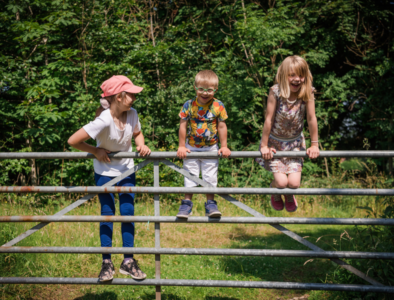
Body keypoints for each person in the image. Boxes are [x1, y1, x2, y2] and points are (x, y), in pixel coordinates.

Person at [68, 75, 151, 282]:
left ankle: (128, 261)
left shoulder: (132, 114)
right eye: (130, 93)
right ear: (118, 97)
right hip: (104, 172)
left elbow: (138, 133)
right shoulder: (104, 118)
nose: (134, 97)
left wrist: (141, 143)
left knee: (127, 214)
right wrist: (95, 150)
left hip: (126, 170)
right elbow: (73, 140)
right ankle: (106, 263)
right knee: (107, 214)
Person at [256, 56, 320, 212]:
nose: (297, 79)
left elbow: (311, 119)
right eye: (292, 75)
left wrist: (314, 144)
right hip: (275, 144)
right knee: (282, 183)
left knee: (294, 184)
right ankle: (275, 190)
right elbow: (269, 120)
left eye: (300, 75)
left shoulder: (307, 92)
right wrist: (264, 146)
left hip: (294, 144)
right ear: (284, 75)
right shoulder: (276, 92)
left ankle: (290, 195)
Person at [176, 70, 231, 219]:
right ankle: (186, 204)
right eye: (201, 89)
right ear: (195, 88)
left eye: (209, 90)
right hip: (191, 146)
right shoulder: (189, 105)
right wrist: (181, 146)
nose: (205, 93)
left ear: (215, 90)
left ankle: (210, 204)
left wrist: (224, 146)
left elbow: (222, 126)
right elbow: (183, 125)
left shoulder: (218, 105)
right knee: (190, 174)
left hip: (211, 146)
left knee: (210, 175)